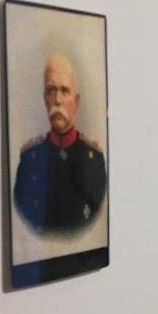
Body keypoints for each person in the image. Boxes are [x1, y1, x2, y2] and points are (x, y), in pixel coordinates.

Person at [14, 54, 107, 234]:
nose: (57, 100)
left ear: (76, 102)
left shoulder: (94, 159)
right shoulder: (29, 159)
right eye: (51, 91)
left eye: (64, 91)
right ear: (45, 100)